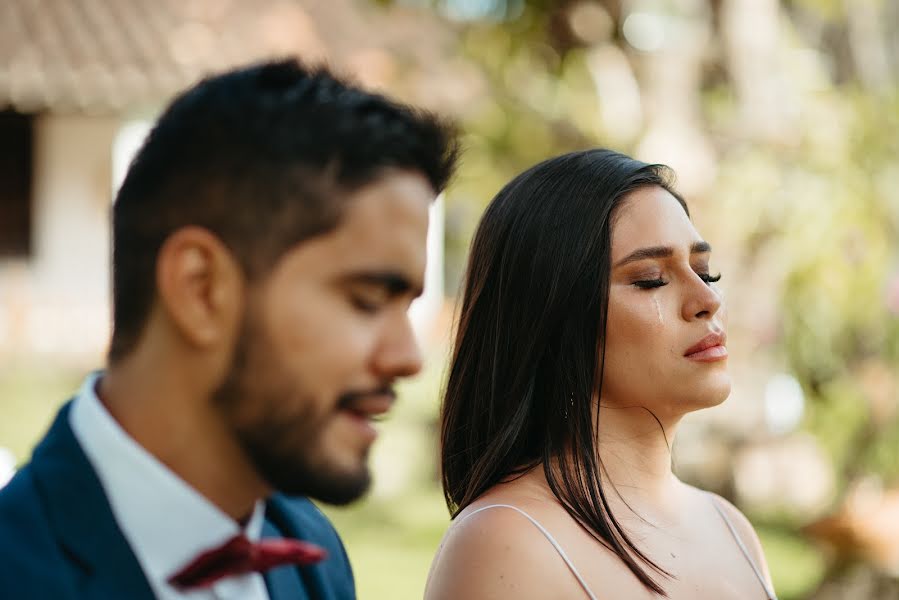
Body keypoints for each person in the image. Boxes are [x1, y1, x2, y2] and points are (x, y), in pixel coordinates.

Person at [0, 59, 457, 600]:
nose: (407, 358)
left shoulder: (316, 556)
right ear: (201, 289)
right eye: (365, 301)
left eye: (408, 307)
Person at [425, 149, 776, 600]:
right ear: (553, 318)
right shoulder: (506, 544)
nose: (706, 299)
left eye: (706, 271)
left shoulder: (733, 530)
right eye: (651, 278)